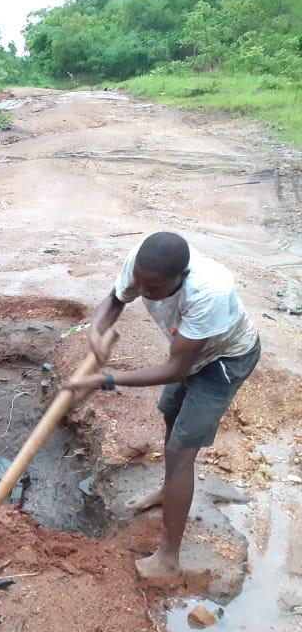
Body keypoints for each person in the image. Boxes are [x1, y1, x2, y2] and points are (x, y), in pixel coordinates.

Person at [65, 232, 260, 579]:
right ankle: (167, 491)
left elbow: (177, 369)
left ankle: (168, 559)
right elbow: (116, 297)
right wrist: (97, 328)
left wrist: (107, 380)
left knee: (181, 450)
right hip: (188, 353)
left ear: (181, 277)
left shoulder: (208, 292)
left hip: (224, 360)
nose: (144, 292)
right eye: (141, 282)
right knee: (170, 413)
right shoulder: (143, 263)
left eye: (153, 288)